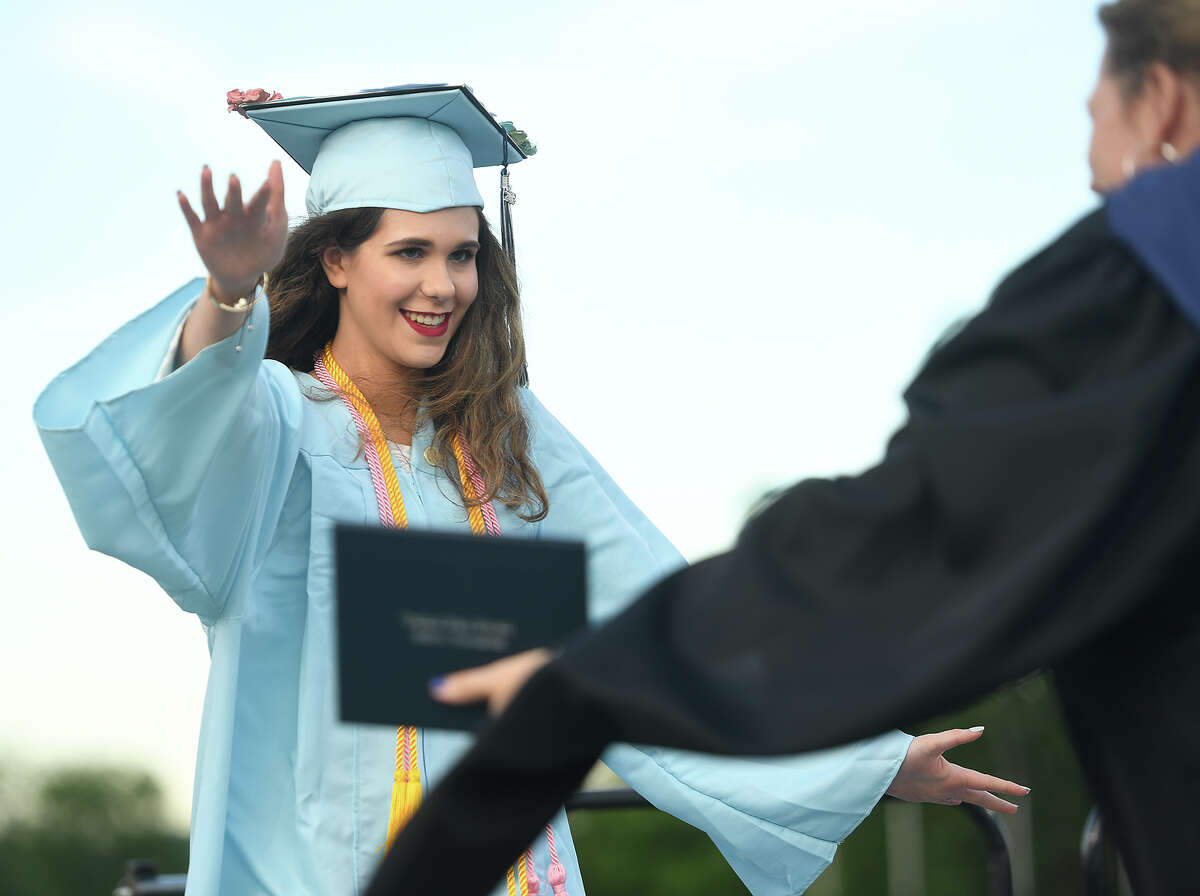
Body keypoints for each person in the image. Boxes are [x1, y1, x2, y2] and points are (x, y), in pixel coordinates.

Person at [33, 85, 1024, 896]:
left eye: (462, 253)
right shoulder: (279, 423)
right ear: (334, 258)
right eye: (408, 251)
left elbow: (648, 626)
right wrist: (227, 297)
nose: (443, 285)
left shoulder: (504, 441)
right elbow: (180, 443)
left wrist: (864, 760)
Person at [366, 3, 1200, 895]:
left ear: (1159, 102)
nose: (1093, 170)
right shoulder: (275, 412)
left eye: (1094, 117)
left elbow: (905, 543)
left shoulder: (1146, 289)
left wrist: (586, 686)